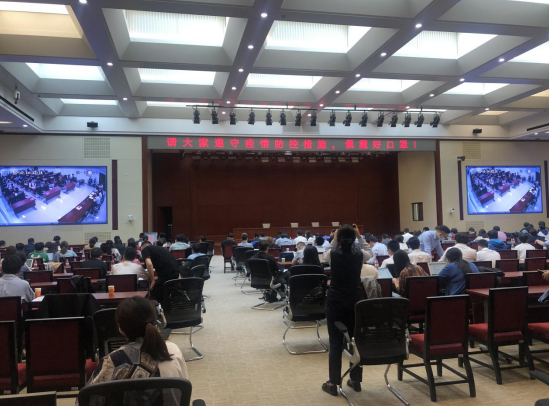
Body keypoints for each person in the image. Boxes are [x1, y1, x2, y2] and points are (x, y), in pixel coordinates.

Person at [84, 296, 188, 399]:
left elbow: (86, 399)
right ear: (155, 321)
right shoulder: (174, 350)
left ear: (120, 328)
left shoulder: (114, 361)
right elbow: (184, 392)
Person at [322, 225, 364, 396]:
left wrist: (334, 239)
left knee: (335, 342)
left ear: (338, 238)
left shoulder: (331, 254)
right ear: (354, 238)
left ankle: (333, 383)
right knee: (355, 341)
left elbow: (325, 253)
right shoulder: (361, 254)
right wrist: (359, 237)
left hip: (336, 301)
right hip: (355, 300)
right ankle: (356, 380)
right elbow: (370, 252)